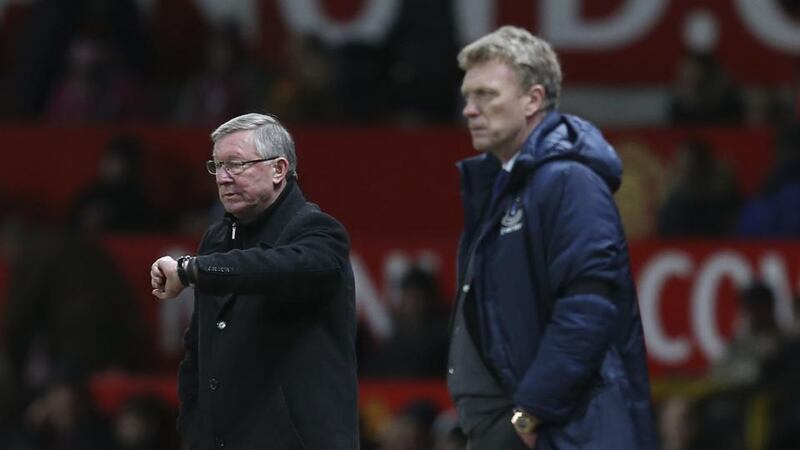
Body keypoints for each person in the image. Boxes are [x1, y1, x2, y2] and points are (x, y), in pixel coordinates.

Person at [447, 26, 657, 450]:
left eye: (486, 95)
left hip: (569, 431)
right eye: (468, 96)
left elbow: (589, 307)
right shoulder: (504, 188)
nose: (470, 109)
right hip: (522, 429)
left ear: (533, 99)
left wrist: (530, 412)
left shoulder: (569, 182)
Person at [149, 113, 358, 450]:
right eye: (217, 166)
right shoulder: (216, 239)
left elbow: (272, 268)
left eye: (236, 164)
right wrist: (193, 430)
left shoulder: (320, 232)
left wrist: (192, 270)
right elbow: (197, 354)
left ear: (279, 169)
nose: (223, 178)